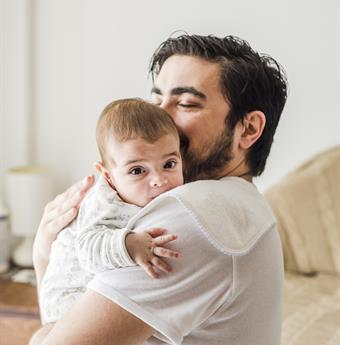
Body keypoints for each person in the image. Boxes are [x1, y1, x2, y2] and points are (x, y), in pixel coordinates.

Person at [31, 34, 288, 345]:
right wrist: (52, 252)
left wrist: (43, 256)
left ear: (248, 129)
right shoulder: (243, 205)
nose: (160, 117)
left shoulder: (194, 212)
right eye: (156, 100)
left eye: (186, 103)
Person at [39, 98, 184, 325]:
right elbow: (87, 249)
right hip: (67, 303)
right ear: (107, 176)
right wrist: (130, 245)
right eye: (137, 170)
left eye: (169, 164)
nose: (159, 180)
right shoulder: (104, 203)